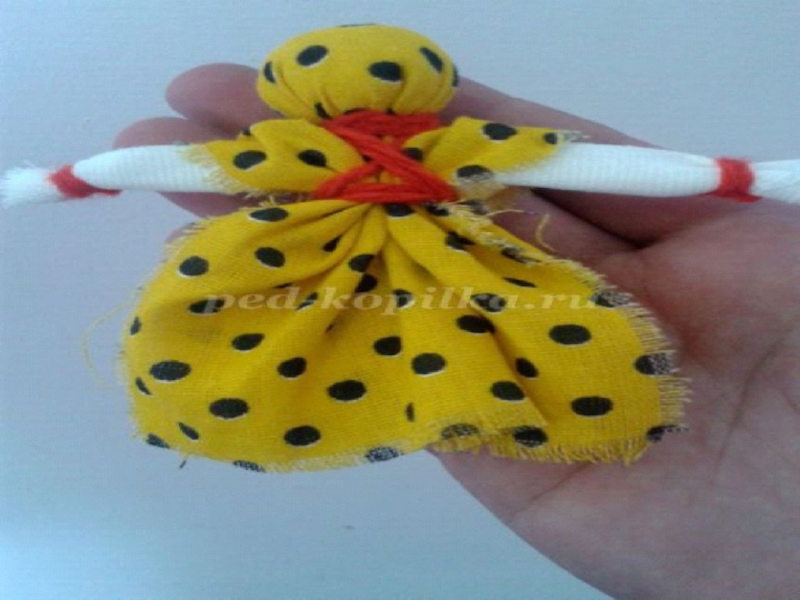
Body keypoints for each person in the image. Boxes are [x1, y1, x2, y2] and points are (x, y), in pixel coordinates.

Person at [109, 63, 800, 598]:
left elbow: (578, 164)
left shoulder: (437, 149)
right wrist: (740, 175)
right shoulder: (308, 151)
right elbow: (580, 164)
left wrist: (742, 177)